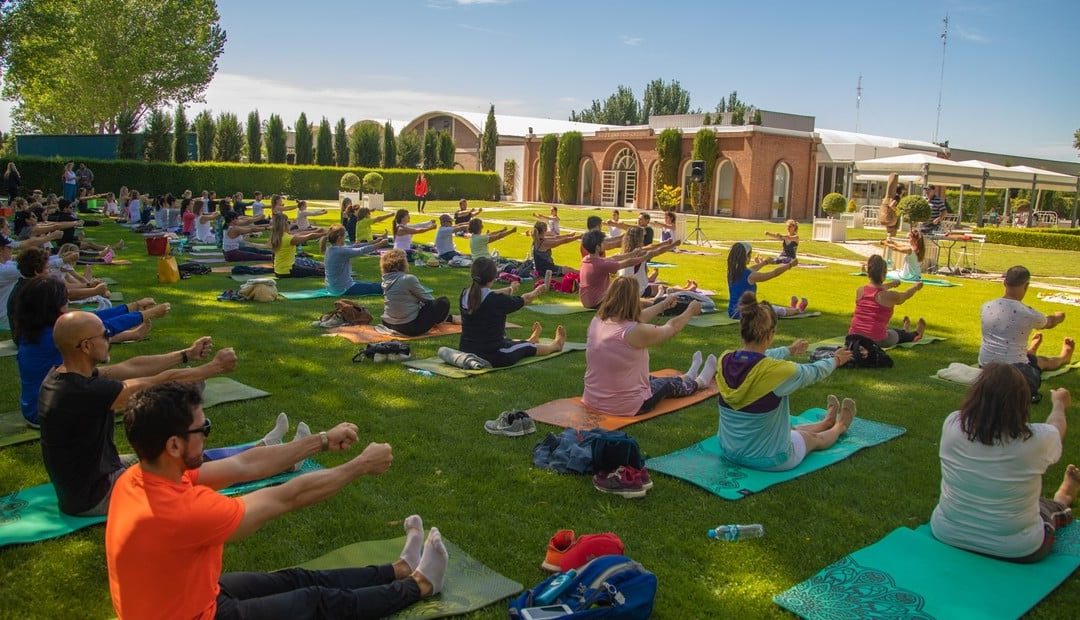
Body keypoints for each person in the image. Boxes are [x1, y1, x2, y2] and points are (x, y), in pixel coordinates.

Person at [106, 382, 449, 620]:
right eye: (203, 429)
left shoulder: (140, 476)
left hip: (186, 598)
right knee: (316, 603)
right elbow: (289, 496)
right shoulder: (182, 512)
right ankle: (420, 585)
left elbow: (245, 464)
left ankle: (399, 569)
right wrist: (360, 466)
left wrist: (323, 440)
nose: (208, 432)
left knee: (295, 579)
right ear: (174, 446)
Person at [38, 311, 237, 516]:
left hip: (88, 481)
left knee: (162, 456)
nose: (110, 339)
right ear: (86, 346)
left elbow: (132, 366)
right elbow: (155, 383)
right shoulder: (83, 392)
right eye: (105, 334)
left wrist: (186, 354)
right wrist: (215, 367)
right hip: (97, 495)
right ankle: (251, 461)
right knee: (182, 467)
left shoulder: (63, 375)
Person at [931, 364, 1078, 563]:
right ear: (1021, 401)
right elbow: (1056, 428)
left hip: (947, 532)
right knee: (1045, 508)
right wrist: (1059, 404)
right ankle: (1063, 498)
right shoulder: (1037, 440)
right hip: (1018, 548)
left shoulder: (952, 423)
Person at [717, 291, 856, 471]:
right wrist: (836, 360)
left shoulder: (724, 360)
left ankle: (825, 423)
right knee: (812, 439)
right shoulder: (779, 372)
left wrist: (789, 350)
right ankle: (839, 426)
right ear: (770, 334)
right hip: (771, 459)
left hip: (729, 451)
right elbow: (813, 371)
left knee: (789, 430)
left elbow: (756, 356)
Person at [14, 277, 169, 427]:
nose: (67, 302)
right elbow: (104, 326)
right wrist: (148, 314)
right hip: (45, 412)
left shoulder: (36, 327)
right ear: (52, 306)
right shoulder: (51, 334)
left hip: (42, 402)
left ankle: (183, 359)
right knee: (133, 393)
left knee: (121, 372)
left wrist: (134, 306)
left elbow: (93, 318)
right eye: (64, 299)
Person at [582, 276, 712, 417]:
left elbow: (635, 318)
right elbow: (671, 328)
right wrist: (690, 311)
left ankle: (687, 376)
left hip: (591, 399)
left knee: (650, 379)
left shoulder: (596, 322)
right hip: (626, 406)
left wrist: (663, 304)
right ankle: (700, 382)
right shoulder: (635, 331)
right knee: (666, 385)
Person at [979, 266, 1073, 402]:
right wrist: (1060, 316)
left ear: (1004, 283)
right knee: (1042, 362)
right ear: (1027, 285)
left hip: (985, 366)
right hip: (1014, 371)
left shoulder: (986, 306)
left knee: (1023, 353)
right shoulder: (1028, 313)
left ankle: (1031, 351)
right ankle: (1063, 358)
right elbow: (1050, 323)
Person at [459, 257, 564, 367]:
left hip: (466, 350)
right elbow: (525, 299)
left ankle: (532, 340)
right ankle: (556, 346)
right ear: (493, 277)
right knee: (527, 348)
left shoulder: (465, 294)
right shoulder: (495, 300)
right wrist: (537, 291)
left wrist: (510, 289)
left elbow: (488, 293)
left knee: (508, 341)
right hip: (493, 355)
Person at [848, 255, 925, 348]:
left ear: (868, 272)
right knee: (895, 334)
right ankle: (916, 334)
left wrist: (891, 284)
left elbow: (875, 289)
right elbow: (905, 295)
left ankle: (905, 330)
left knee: (888, 330)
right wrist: (915, 287)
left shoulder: (860, 290)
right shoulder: (889, 296)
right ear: (884, 273)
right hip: (877, 340)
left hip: (853, 338)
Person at [380, 249, 455, 337]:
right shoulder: (408, 279)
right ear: (402, 264)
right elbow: (429, 300)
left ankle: (448, 318)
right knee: (442, 302)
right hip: (409, 327)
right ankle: (445, 320)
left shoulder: (385, 280)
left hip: (388, 324)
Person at [726, 242, 807, 318]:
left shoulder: (733, 272)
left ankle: (792, 308)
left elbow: (752, 269)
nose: (750, 257)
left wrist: (765, 262)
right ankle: (798, 310)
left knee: (767, 307)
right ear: (745, 257)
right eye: (749, 254)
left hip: (733, 312)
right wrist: (790, 265)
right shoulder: (750, 276)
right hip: (746, 313)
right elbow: (774, 273)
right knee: (774, 309)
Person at [579, 231, 649, 310]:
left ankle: (657, 302)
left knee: (624, 296)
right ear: (598, 247)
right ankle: (659, 304)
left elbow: (613, 258)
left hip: (588, 301)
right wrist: (646, 256)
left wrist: (632, 254)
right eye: (603, 242)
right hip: (597, 303)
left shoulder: (587, 259)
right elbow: (627, 263)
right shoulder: (601, 265)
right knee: (630, 300)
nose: (605, 244)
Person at [321, 224, 387, 296]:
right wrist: (379, 244)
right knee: (378, 287)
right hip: (342, 289)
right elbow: (360, 250)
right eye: (344, 236)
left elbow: (355, 246)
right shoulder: (340, 251)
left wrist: (374, 242)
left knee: (370, 284)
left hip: (334, 287)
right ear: (340, 238)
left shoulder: (331, 249)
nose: (345, 238)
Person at [616, 226, 679, 298]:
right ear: (639, 239)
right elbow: (658, 251)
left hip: (625, 289)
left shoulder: (624, 253)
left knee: (657, 285)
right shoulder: (639, 253)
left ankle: (686, 289)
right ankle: (688, 290)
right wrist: (674, 245)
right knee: (666, 289)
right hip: (637, 291)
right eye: (642, 237)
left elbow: (651, 247)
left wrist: (665, 243)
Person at [270, 212, 327, 278]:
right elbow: (308, 237)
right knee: (319, 272)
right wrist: (325, 233)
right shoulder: (287, 239)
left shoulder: (277, 236)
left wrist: (317, 231)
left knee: (313, 267)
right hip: (287, 270)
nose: (290, 224)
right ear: (284, 224)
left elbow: (300, 233)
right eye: (288, 222)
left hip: (279, 270)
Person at [0, 236, 20, 327]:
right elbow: (32, 267)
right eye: (9, 247)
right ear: (1, 249)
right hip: (4, 319)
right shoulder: (4, 270)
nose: (11, 250)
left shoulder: (6, 265)